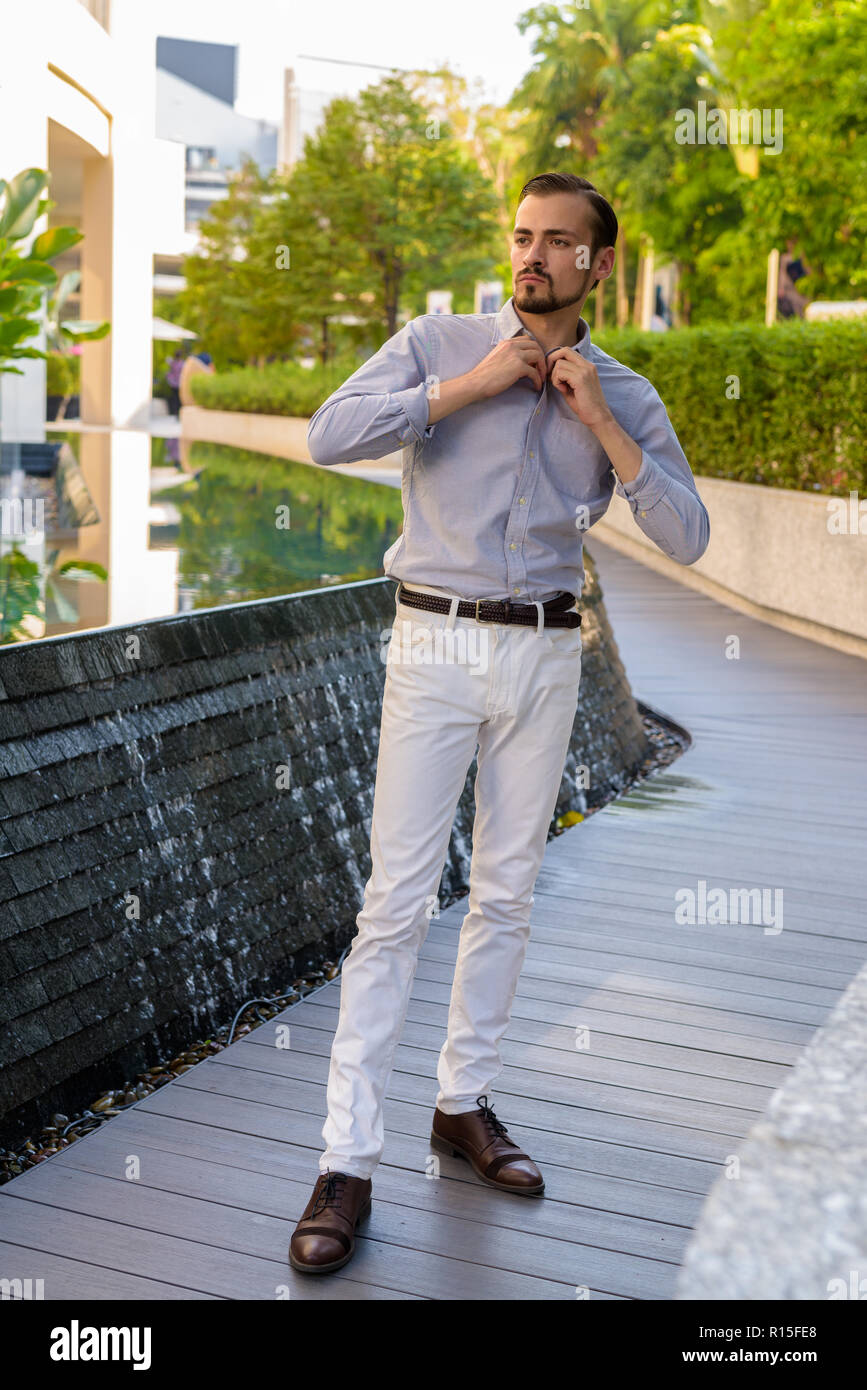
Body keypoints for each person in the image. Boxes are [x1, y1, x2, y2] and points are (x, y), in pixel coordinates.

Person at [291, 171, 710, 1275]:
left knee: (509, 890)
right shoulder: (437, 342)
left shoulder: (622, 389)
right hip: (432, 642)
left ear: (598, 266)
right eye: (523, 236)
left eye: (558, 242)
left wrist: (606, 431)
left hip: (544, 652)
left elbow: (689, 534)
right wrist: (466, 388)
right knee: (395, 904)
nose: (533, 255)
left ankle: (462, 1103)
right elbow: (327, 435)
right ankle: (347, 1161)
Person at [777, 239, 812, 319]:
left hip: (801, 286)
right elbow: (782, 273)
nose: (790, 246)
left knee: (804, 304)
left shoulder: (801, 256)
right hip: (790, 287)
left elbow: (808, 270)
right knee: (793, 304)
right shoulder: (785, 258)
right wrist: (781, 287)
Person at [165, 349, 185, 415]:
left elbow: (167, 359)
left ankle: (176, 412)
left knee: (175, 399)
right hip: (180, 384)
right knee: (179, 399)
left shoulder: (173, 363)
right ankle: (179, 413)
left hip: (173, 384)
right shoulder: (182, 363)